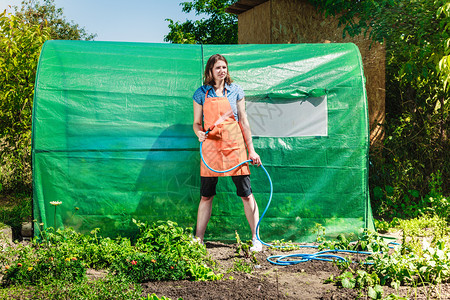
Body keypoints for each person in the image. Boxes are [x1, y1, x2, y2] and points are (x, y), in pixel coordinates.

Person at [192, 54, 263, 252]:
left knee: (246, 194)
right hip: (211, 148)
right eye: (218, 68)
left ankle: (256, 238)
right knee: (206, 196)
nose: (222, 71)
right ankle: (199, 238)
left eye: (224, 67)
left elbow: (244, 121)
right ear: (210, 71)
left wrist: (252, 150)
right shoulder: (201, 93)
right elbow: (197, 122)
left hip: (235, 147)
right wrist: (198, 133)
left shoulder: (236, 90)